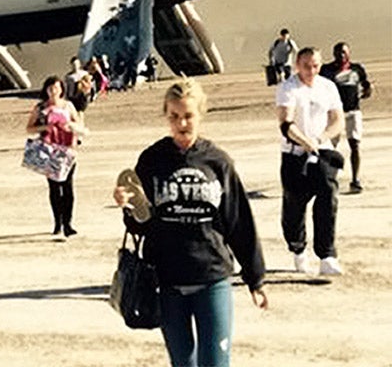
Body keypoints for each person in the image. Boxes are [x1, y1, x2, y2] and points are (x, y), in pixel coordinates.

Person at [113, 78, 268, 367]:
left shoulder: (218, 162)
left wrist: (255, 278)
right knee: (183, 364)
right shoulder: (152, 160)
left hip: (212, 277)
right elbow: (142, 224)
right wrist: (128, 206)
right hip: (169, 280)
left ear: (200, 115)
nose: (181, 123)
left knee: (216, 362)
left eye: (188, 116)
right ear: (166, 116)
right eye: (174, 116)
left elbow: (239, 221)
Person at [276, 47, 345, 275]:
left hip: (322, 151)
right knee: (294, 204)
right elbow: (286, 123)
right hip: (295, 153)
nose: (311, 70)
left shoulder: (328, 87)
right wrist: (305, 141)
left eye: (315, 65)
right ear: (297, 64)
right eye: (306, 66)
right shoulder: (288, 88)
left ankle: (326, 256)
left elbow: (337, 120)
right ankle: (298, 249)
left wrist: (321, 138)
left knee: (328, 197)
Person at [27, 75, 87, 236]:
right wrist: (46, 126)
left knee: (68, 187)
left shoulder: (68, 106)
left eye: (57, 88)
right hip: (49, 151)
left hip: (67, 150)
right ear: (46, 90)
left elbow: (79, 124)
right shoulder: (40, 108)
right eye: (51, 88)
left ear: (62, 90)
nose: (54, 91)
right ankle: (57, 223)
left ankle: (68, 223)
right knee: (54, 188)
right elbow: (29, 128)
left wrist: (71, 127)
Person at [320, 42, 371, 193]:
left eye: (343, 52)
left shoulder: (357, 69)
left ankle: (355, 180)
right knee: (330, 147)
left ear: (349, 53)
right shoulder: (326, 71)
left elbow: (365, 84)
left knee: (354, 144)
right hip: (334, 114)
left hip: (353, 111)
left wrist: (367, 91)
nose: (340, 55)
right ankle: (327, 178)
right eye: (337, 53)